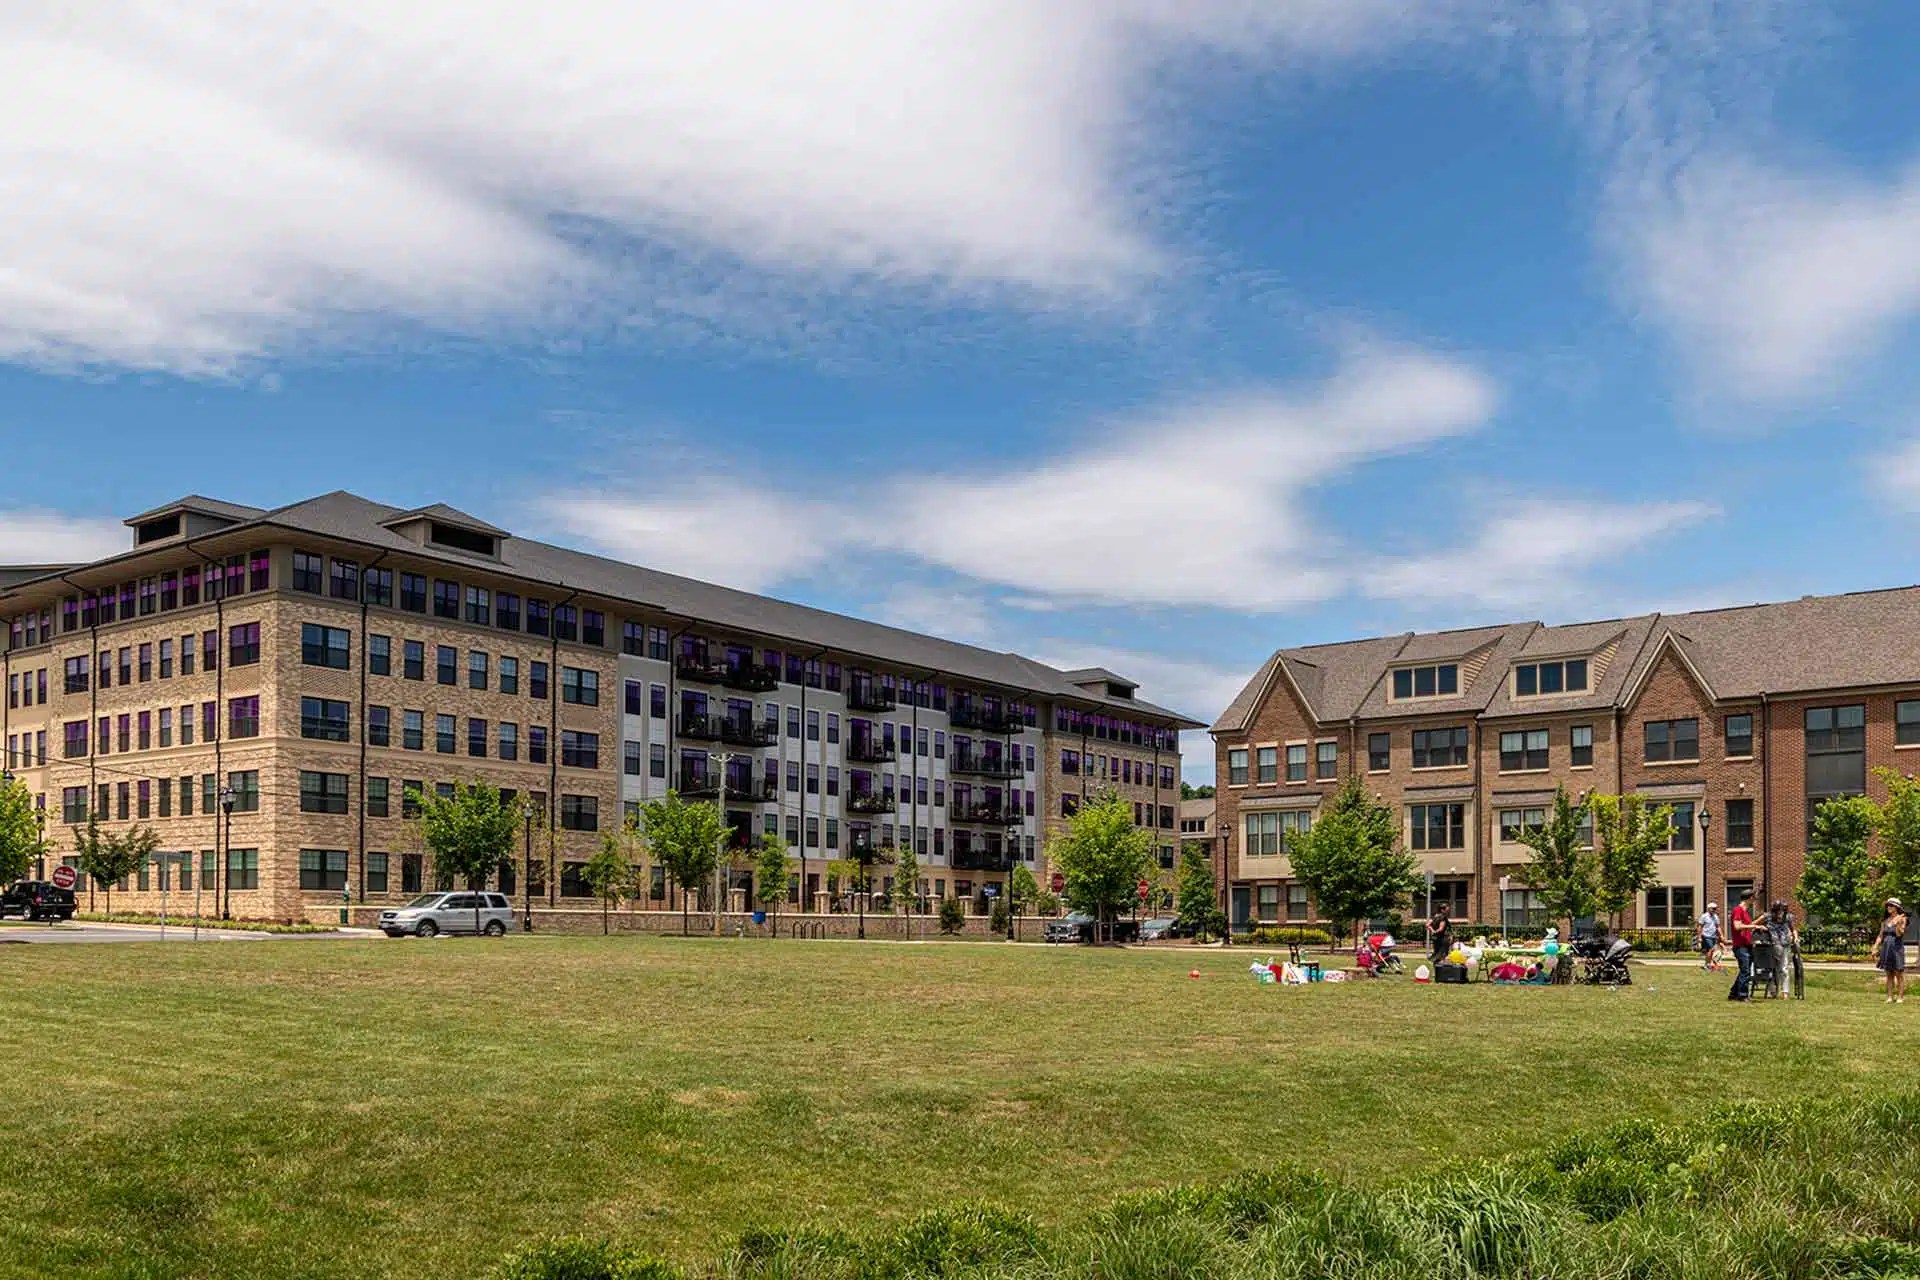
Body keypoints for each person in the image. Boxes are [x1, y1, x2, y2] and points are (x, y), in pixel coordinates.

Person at [1761, 900, 1798, 999]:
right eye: (1778, 910)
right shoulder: (1767, 917)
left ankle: (1785, 992)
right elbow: (1753, 924)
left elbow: (1793, 929)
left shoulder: (1788, 917)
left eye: (1782, 910)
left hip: (1785, 944)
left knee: (1784, 969)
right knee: (1772, 968)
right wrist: (1759, 927)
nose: (1780, 913)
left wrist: (1795, 937)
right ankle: (1772, 991)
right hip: (1772, 946)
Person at [1878, 898, 1909, 1004]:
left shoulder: (1902, 918)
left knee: (1898, 973)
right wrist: (1875, 946)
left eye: (1891, 905)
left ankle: (1900, 997)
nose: (1888, 907)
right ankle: (1890, 997)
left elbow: (1899, 934)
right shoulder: (1885, 921)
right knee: (1889, 973)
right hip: (1886, 947)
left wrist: (1897, 924)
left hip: (1897, 948)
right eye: (1887, 905)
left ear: (1896, 907)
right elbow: (1880, 935)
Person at [1728, 888, 1756, 1001]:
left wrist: (1759, 922)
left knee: (1744, 970)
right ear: (1750, 898)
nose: (1754, 900)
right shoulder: (1738, 910)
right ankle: (1742, 995)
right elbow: (1737, 926)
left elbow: (1748, 926)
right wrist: (1753, 926)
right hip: (1740, 946)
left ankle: (1733, 993)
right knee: (1745, 970)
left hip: (1747, 945)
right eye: (1754, 898)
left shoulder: (1745, 912)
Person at [1696, 901, 1722, 971]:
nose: (1714, 910)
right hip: (1706, 935)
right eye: (1713, 908)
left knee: (1711, 951)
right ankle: (1707, 965)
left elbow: (1718, 926)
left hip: (1713, 936)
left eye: (1715, 908)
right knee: (1710, 950)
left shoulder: (1715, 917)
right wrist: (1699, 938)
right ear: (1709, 908)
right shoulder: (1704, 916)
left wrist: (1721, 935)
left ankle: (1709, 964)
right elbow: (1699, 927)